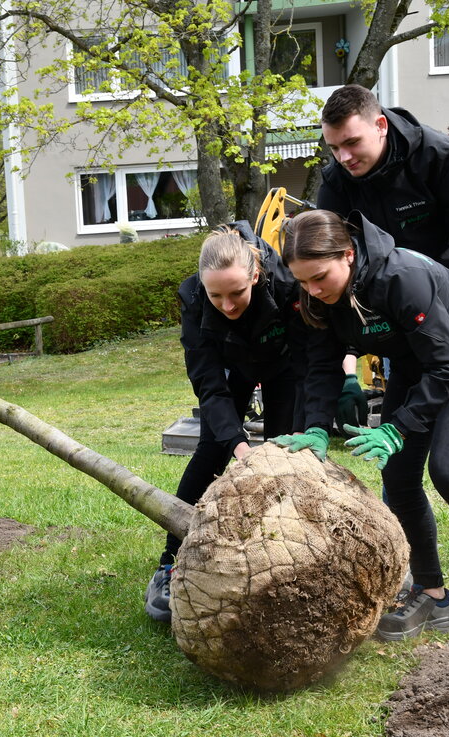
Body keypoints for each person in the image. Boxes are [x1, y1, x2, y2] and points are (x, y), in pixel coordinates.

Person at [316, 84, 449, 581]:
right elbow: (324, 247)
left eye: (351, 143)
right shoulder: (337, 180)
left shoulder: (440, 157)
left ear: (380, 125)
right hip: (397, 305)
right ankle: (416, 562)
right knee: (407, 415)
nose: (343, 156)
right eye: (333, 147)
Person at [278, 209, 449, 639]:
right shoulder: (318, 296)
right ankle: (433, 593)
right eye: (302, 281)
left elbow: (448, 366)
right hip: (414, 358)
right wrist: (316, 425)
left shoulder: (400, 277)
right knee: (399, 475)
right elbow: (320, 364)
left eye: (319, 277)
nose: (312, 290)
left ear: (348, 255)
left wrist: (399, 427)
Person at [145, 222, 305, 622]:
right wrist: (237, 442)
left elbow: (311, 355)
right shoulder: (194, 300)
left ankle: (288, 552)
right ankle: (170, 561)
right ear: (202, 285)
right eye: (217, 295)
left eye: (237, 293)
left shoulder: (286, 284)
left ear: (255, 274)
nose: (228, 305)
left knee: (284, 448)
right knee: (213, 446)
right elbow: (209, 385)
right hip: (232, 364)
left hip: (283, 360)